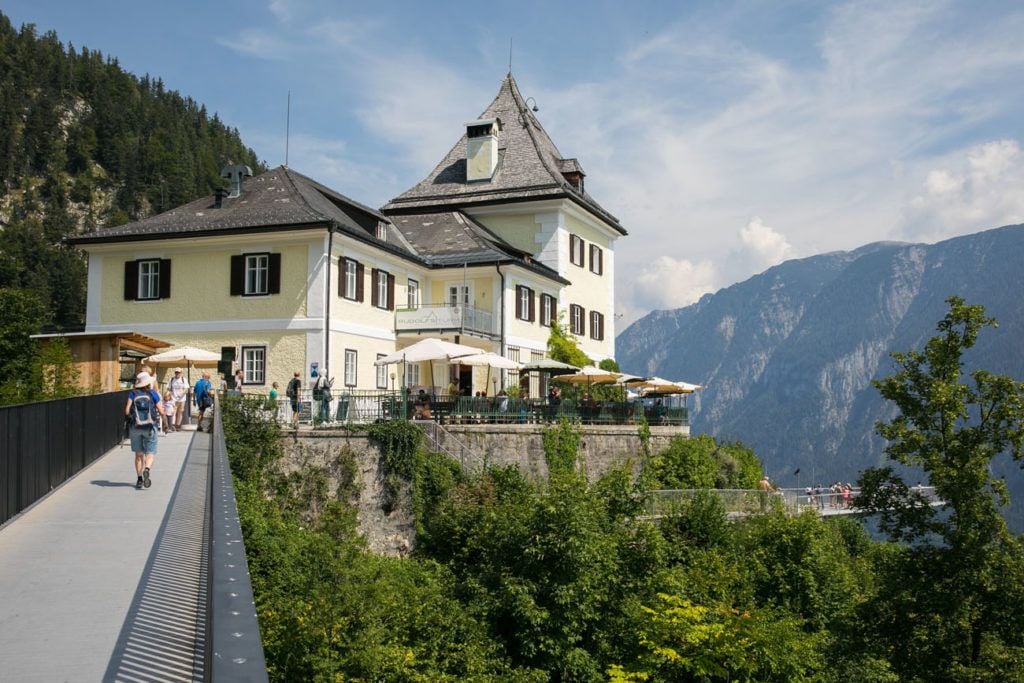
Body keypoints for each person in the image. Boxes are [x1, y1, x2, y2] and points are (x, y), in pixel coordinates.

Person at [125, 372, 163, 489]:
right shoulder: (153, 394)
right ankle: (147, 469)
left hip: (135, 427)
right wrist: (164, 423)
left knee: (139, 455)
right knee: (150, 453)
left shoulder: (132, 394)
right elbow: (162, 412)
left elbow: (126, 411)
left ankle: (139, 479)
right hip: (150, 427)